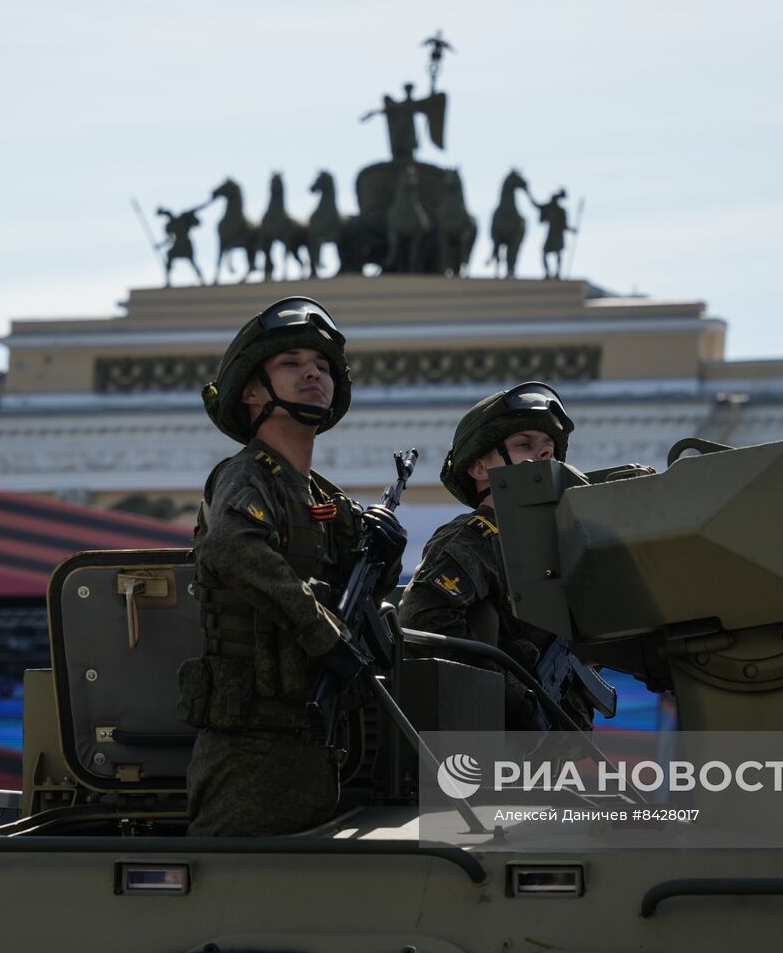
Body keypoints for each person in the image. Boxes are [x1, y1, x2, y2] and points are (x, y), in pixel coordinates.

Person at [178, 296, 406, 836]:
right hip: (250, 745)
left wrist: (386, 554)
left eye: (323, 366)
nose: (313, 373)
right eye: (291, 363)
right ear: (252, 391)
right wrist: (323, 632)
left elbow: (366, 591)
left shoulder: (325, 500)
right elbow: (233, 549)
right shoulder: (245, 476)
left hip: (315, 739)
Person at [398, 381, 604, 731]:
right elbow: (423, 619)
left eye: (548, 448)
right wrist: (516, 698)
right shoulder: (475, 536)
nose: (542, 455)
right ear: (480, 469)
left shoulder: (554, 544)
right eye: (524, 444)